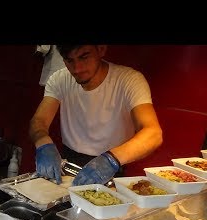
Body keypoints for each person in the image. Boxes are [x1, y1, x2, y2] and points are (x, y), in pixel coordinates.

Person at [29, 45, 163, 186]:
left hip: (111, 167)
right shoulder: (59, 79)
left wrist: (111, 160)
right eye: (69, 61)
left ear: (101, 49)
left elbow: (153, 133)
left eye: (84, 57)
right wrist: (43, 143)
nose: (77, 69)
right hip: (68, 164)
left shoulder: (130, 80)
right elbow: (39, 121)